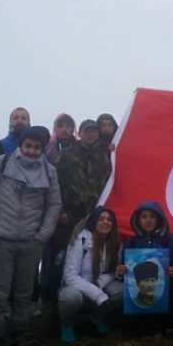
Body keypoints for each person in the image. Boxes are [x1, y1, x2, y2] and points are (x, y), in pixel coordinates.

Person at [0, 126, 62, 346]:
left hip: (31, 242)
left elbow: (54, 205)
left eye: (37, 147)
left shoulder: (49, 171)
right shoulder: (1, 163)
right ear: (20, 145)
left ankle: (21, 333)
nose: (32, 151)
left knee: (24, 292)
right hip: (0, 238)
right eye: (28, 146)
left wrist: (43, 235)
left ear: (42, 149)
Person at [46, 119, 112, 303]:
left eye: (93, 131)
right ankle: (53, 301)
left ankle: (90, 301)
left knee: (93, 260)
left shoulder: (104, 156)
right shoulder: (65, 155)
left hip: (96, 218)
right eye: (86, 131)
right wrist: (61, 211)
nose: (90, 134)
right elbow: (55, 185)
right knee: (62, 260)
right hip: (71, 217)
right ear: (80, 133)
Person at [58, 207, 124, 343]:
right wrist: (97, 293)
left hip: (99, 283)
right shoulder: (80, 239)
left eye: (109, 220)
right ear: (94, 221)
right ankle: (67, 322)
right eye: (101, 219)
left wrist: (102, 281)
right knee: (69, 298)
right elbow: (70, 275)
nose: (105, 222)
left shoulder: (116, 242)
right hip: (77, 285)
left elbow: (113, 271)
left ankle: (97, 316)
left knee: (122, 291)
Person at [123, 201, 173, 328]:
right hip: (138, 291)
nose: (148, 220)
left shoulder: (168, 238)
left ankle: (167, 323)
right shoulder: (131, 242)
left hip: (165, 289)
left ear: (158, 219)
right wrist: (121, 271)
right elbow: (124, 267)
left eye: (152, 216)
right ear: (138, 220)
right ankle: (138, 324)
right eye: (144, 217)